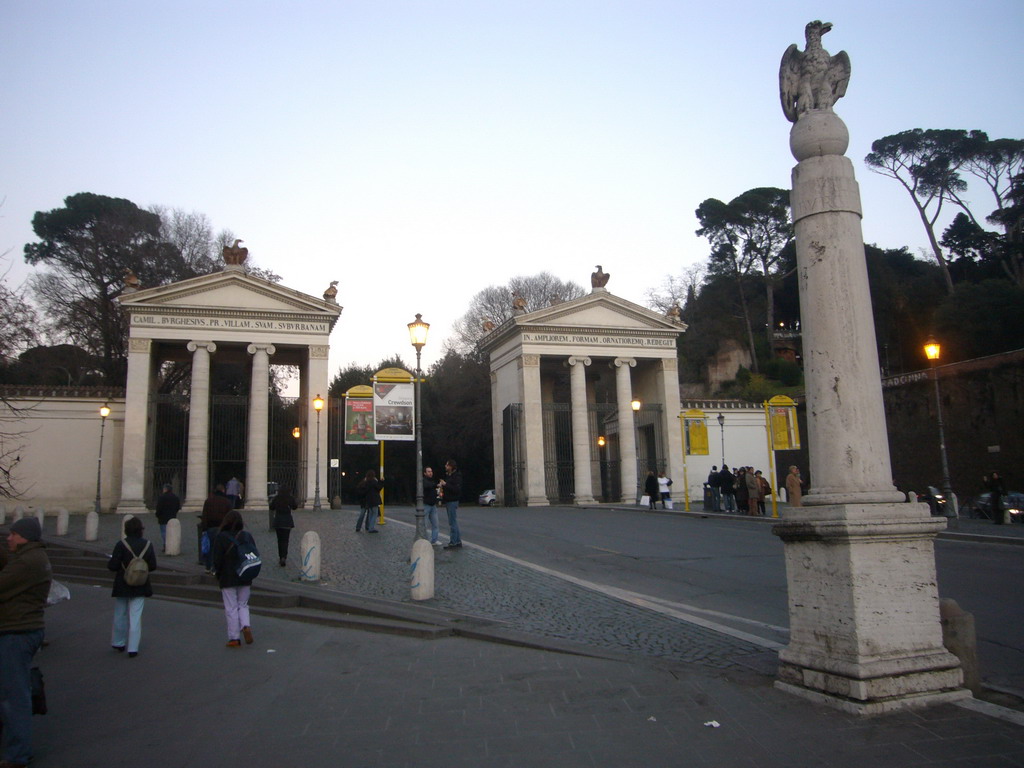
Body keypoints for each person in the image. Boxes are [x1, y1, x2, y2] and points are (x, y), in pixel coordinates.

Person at [0, 517, 51, 768]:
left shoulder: (28, 561)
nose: (9, 538)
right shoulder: (32, 558)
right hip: (22, 629)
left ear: (24, 537)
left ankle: (17, 754)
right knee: (11, 691)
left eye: (13, 534)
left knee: (14, 696)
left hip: (16, 631)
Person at [107, 516, 157, 658]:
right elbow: (153, 566)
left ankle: (118, 642)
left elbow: (113, 566)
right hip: (140, 583)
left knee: (120, 613)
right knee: (136, 616)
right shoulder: (147, 545)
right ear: (141, 530)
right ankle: (133, 648)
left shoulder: (121, 545)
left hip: (123, 583)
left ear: (126, 530)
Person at [212, 510, 257, 647]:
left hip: (228, 577)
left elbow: (217, 559)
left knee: (231, 607)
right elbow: (254, 552)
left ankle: (234, 638)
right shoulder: (246, 536)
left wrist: (217, 573)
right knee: (243, 604)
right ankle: (246, 625)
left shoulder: (221, 537)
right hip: (245, 574)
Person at [201, 484, 233, 572]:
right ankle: (218, 567)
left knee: (210, 548)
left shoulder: (208, 501)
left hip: (211, 527)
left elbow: (205, 515)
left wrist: (204, 528)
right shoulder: (227, 502)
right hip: (222, 529)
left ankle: (208, 567)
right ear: (223, 491)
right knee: (221, 549)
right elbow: (230, 516)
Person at [270, 485, 297, 566]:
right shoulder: (290, 498)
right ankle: (284, 557)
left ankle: (280, 556)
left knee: (280, 540)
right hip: (287, 521)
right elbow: (295, 507)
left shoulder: (277, 498)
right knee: (285, 540)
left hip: (278, 521)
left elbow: (271, 507)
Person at [439, 460, 463, 549]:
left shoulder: (457, 476)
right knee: (453, 521)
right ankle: (457, 541)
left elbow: (456, 489)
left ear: (451, 466)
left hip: (453, 500)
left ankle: (453, 542)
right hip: (448, 500)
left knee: (452, 522)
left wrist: (445, 484)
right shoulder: (449, 475)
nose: (445, 466)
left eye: (447, 465)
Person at [154, 483, 181, 551]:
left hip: (163, 518)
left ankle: (166, 545)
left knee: (164, 532)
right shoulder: (175, 497)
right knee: (172, 532)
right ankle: (171, 544)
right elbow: (178, 507)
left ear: (165, 489)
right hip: (172, 516)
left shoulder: (162, 497)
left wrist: (157, 515)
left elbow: (159, 508)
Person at [423, 467, 440, 546]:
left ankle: (434, 540)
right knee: (425, 525)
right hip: (426, 504)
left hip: (433, 505)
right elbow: (427, 486)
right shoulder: (424, 481)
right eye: (428, 471)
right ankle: (425, 540)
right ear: (425, 473)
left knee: (435, 524)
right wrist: (435, 485)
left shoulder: (432, 481)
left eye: (431, 471)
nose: (430, 473)